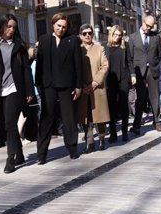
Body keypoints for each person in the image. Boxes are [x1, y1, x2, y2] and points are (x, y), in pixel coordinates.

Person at [0, 14, 34, 173]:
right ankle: (20, 153)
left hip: (14, 89)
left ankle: (10, 158)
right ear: (2, 26)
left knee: (11, 123)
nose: (11, 30)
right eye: (8, 26)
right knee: (5, 125)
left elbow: (26, 70)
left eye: (14, 27)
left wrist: (29, 90)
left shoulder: (19, 45)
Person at [35, 13, 83, 163]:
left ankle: (72, 148)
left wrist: (79, 86)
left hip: (67, 85)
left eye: (64, 27)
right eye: (58, 26)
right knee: (46, 118)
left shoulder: (73, 41)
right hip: (48, 85)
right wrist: (38, 84)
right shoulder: (43, 40)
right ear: (53, 25)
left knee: (68, 118)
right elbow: (39, 64)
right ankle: (41, 154)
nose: (61, 29)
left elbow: (78, 65)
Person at [77, 24, 110, 153]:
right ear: (80, 35)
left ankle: (102, 139)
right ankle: (89, 142)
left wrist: (96, 82)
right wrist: (81, 85)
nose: (87, 35)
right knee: (86, 117)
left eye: (90, 33)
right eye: (84, 33)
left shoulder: (99, 48)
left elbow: (105, 66)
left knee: (99, 116)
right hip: (83, 89)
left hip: (97, 88)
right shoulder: (77, 50)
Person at [127, 15, 161, 133]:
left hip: (152, 70)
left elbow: (159, 54)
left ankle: (157, 121)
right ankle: (137, 125)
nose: (149, 28)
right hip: (139, 72)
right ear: (142, 22)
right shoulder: (132, 38)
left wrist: (155, 65)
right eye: (147, 25)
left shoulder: (156, 37)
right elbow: (130, 58)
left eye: (151, 26)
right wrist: (132, 74)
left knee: (155, 97)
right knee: (140, 98)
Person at [105, 25, 131, 143]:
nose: (118, 37)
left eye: (120, 35)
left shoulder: (125, 46)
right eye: (116, 35)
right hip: (110, 80)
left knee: (124, 105)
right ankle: (113, 133)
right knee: (111, 107)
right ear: (111, 34)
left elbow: (129, 61)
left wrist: (133, 76)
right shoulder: (106, 47)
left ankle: (125, 132)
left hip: (123, 78)